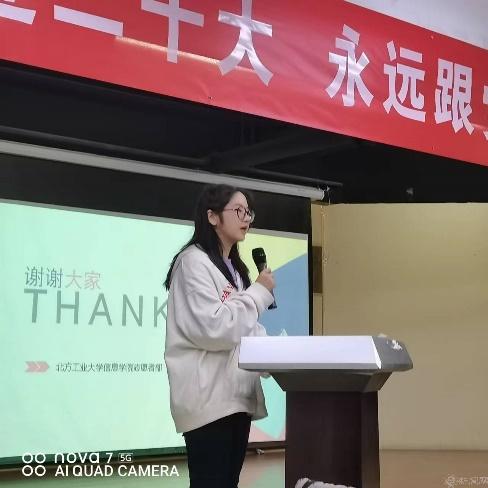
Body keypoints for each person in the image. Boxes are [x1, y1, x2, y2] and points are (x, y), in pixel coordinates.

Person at [163, 184, 275, 488]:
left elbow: (245, 328)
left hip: (236, 400)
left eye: (248, 212)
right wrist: (259, 293)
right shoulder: (193, 262)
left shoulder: (235, 270)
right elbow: (215, 329)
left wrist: (280, 358)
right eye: (238, 210)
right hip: (208, 402)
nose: (246, 218)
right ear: (212, 216)